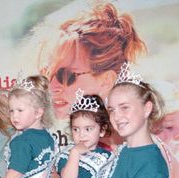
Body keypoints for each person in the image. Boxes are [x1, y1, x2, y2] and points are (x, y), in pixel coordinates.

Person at [37, 2, 146, 147]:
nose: (52, 87)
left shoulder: (138, 142)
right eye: (47, 73)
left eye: (67, 76)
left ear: (106, 81)